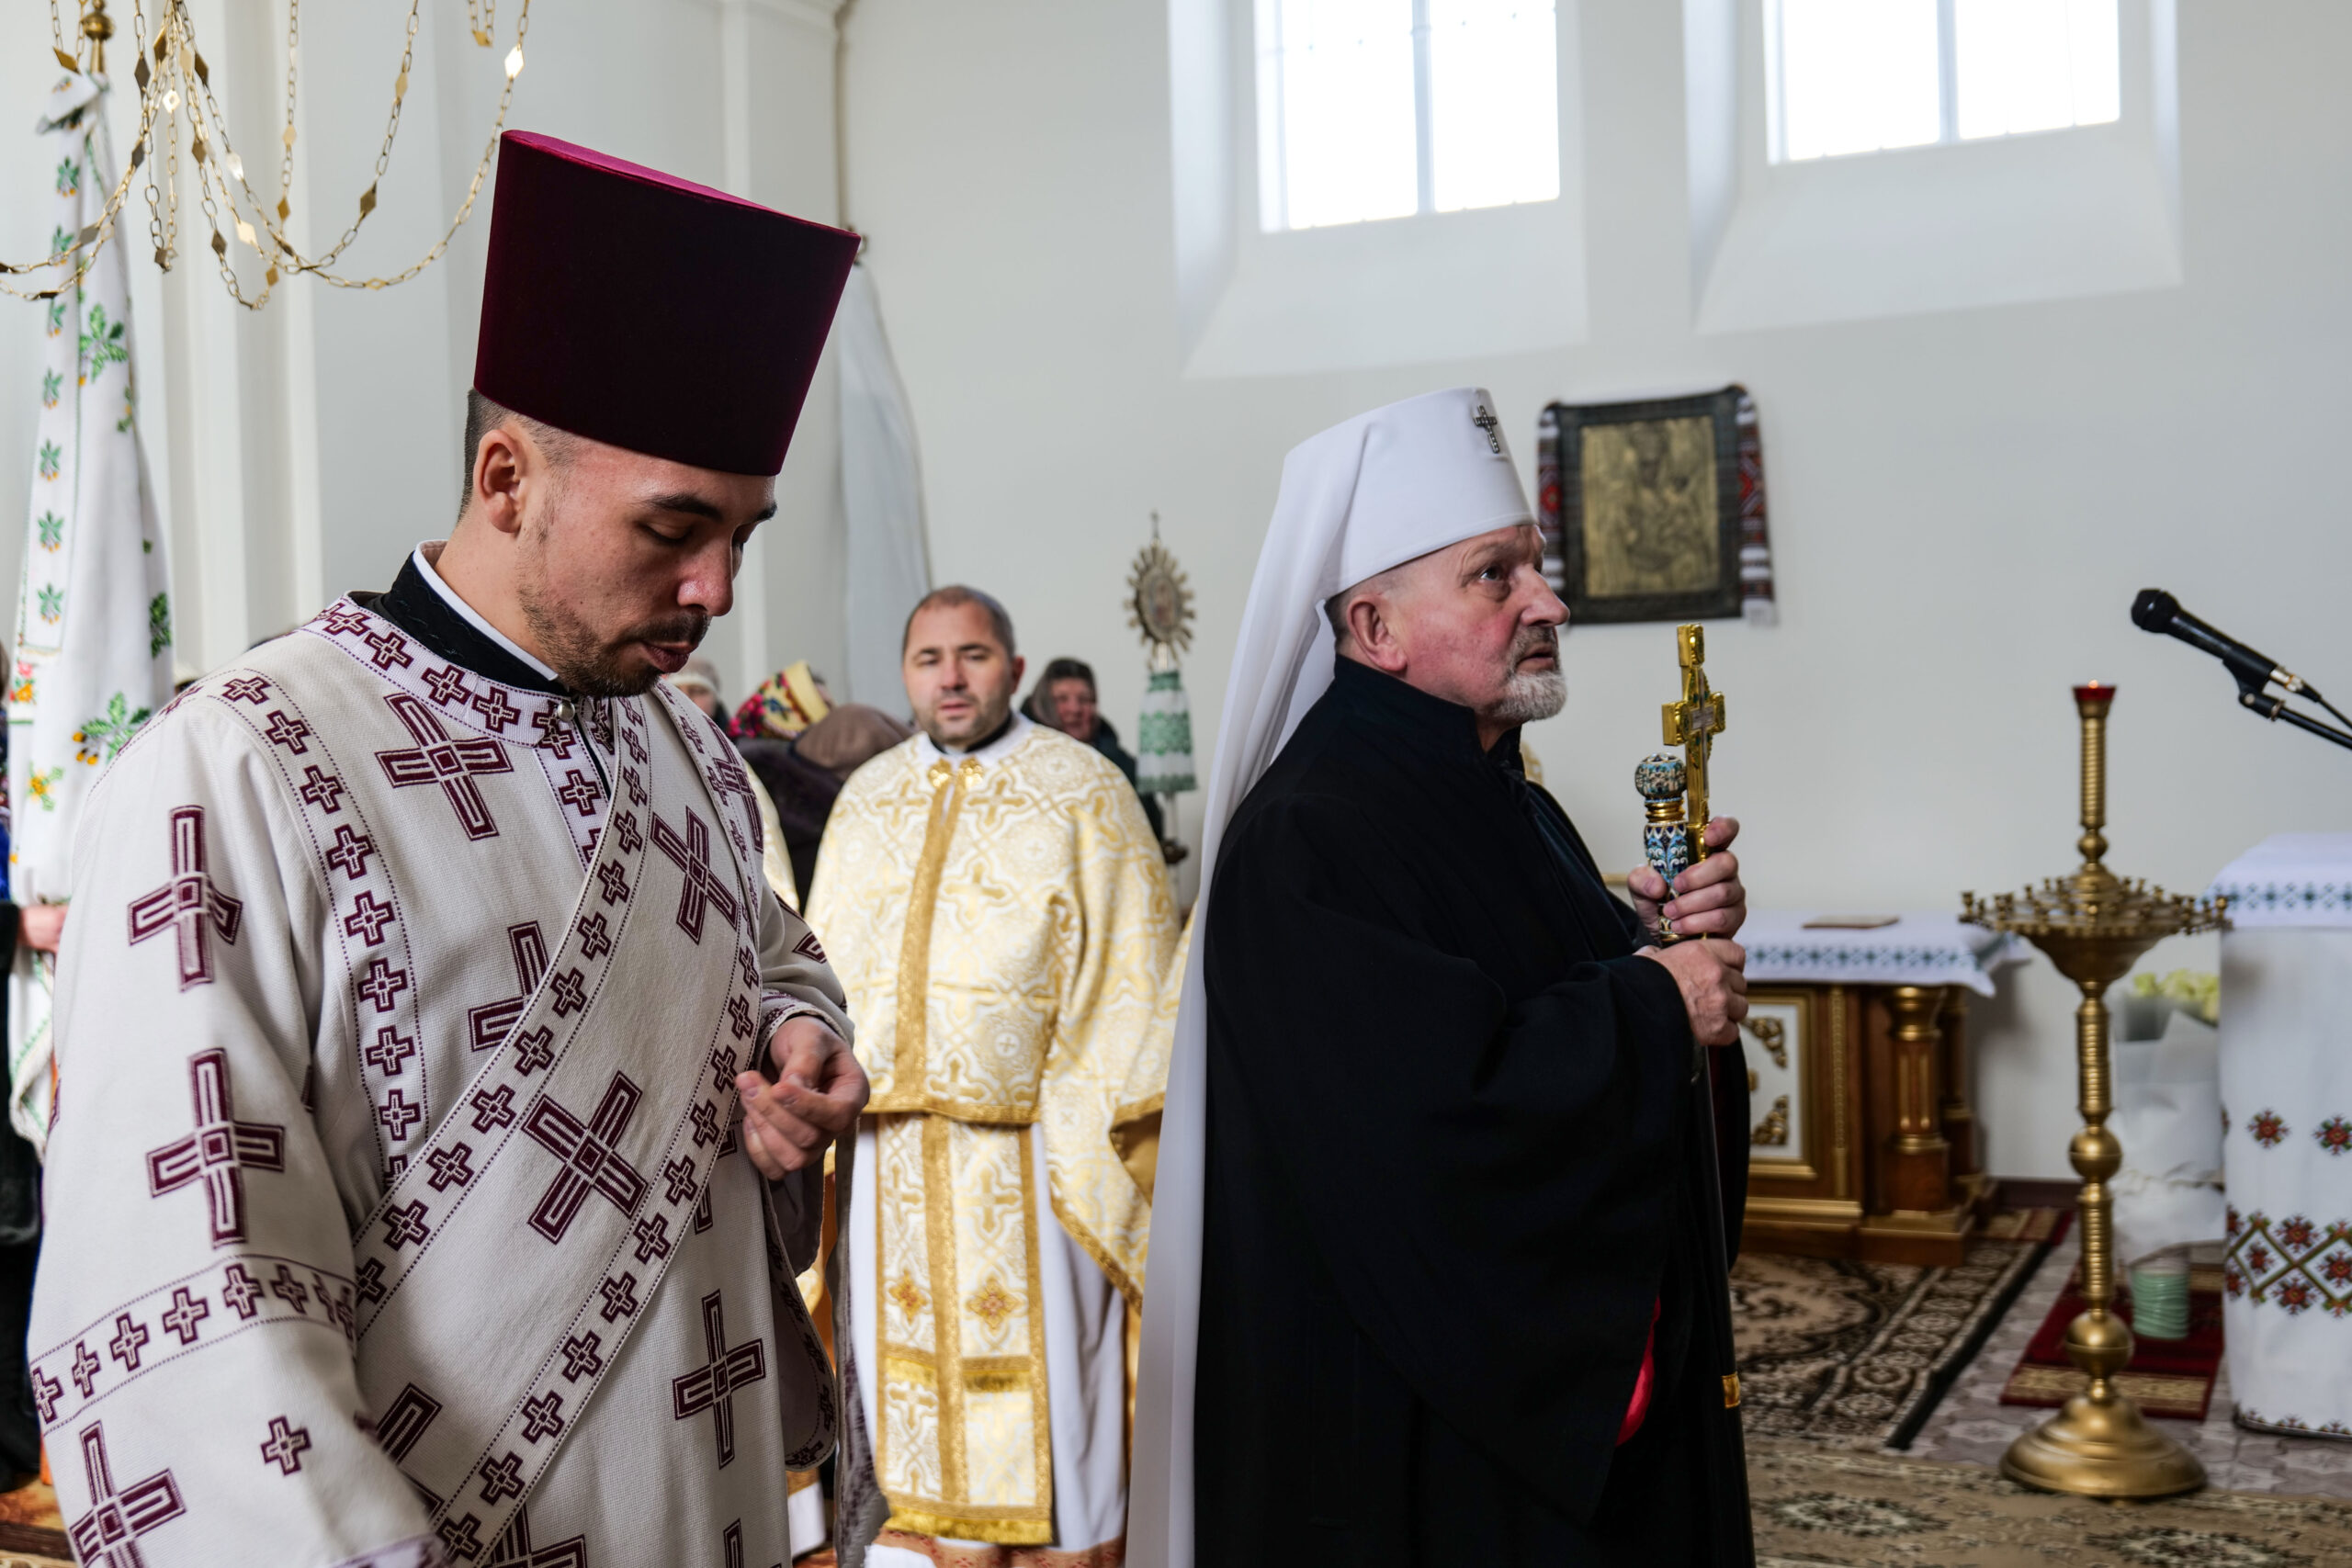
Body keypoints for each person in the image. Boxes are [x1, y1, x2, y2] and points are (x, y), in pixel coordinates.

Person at [31, 130, 883, 1564]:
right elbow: (188, 1292)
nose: (717, 587)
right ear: (506, 478)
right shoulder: (239, 766)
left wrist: (797, 1041)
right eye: (676, 527)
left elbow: (778, 958)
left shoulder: (683, 746)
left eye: (741, 534)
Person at [1129, 388, 1756, 1568]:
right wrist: (1653, 1001)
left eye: (1536, 568)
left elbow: (1534, 1006)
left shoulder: (1508, 796)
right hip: (1416, 1450)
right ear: (1374, 628)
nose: (1548, 602)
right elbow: (1430, 1126)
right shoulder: (1310, 836)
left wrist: (1651, 948)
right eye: (1496, 575)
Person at [807, 587, 1180, 1567]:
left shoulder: (1084, 788)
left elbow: (1131, 979)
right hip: (889, 1153)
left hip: (1037, 1155)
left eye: (972, 656)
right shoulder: (867, 799)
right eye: (929, 659)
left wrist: (1076, 1129)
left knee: (1063, 1402)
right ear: (906, 674)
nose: (952, 677)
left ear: (1012, 668)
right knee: (902, 1396)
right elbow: (819, 972)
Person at [668, 656, 808, 911]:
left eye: (698, 691)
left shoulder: (740, 757)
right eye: (677, 690)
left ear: (715, 698)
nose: (686, 698)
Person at [1023, 658, 1167, 845]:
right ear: (1041, 706)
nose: (1074, 709)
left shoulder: (1120, 766)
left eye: (1084, 700)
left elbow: (1149, 831)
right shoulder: (1017, 761)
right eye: (1062, 699)